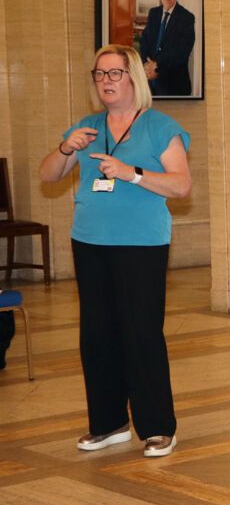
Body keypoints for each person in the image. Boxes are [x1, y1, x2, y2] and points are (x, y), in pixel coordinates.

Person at [39, 44, 192, 457]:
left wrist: (132, 173)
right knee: (97, 335)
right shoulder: (87, 127)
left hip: (141, 244)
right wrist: (67, 148)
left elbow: (181, 185)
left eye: (114, 74)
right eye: (99, 74)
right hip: (89, 241)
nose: (106, 82)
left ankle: (158, 427)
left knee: (141, 333)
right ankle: (108, 424)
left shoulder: (159, 127)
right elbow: (47, 175)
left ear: (133, 79)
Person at [138, 0, 196, 96]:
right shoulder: (154, 13)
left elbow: (182, 53)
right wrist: (147, 65)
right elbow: (144, 42)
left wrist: (157, 68)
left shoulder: (187, 18)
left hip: (174, 86)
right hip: (151, 85)